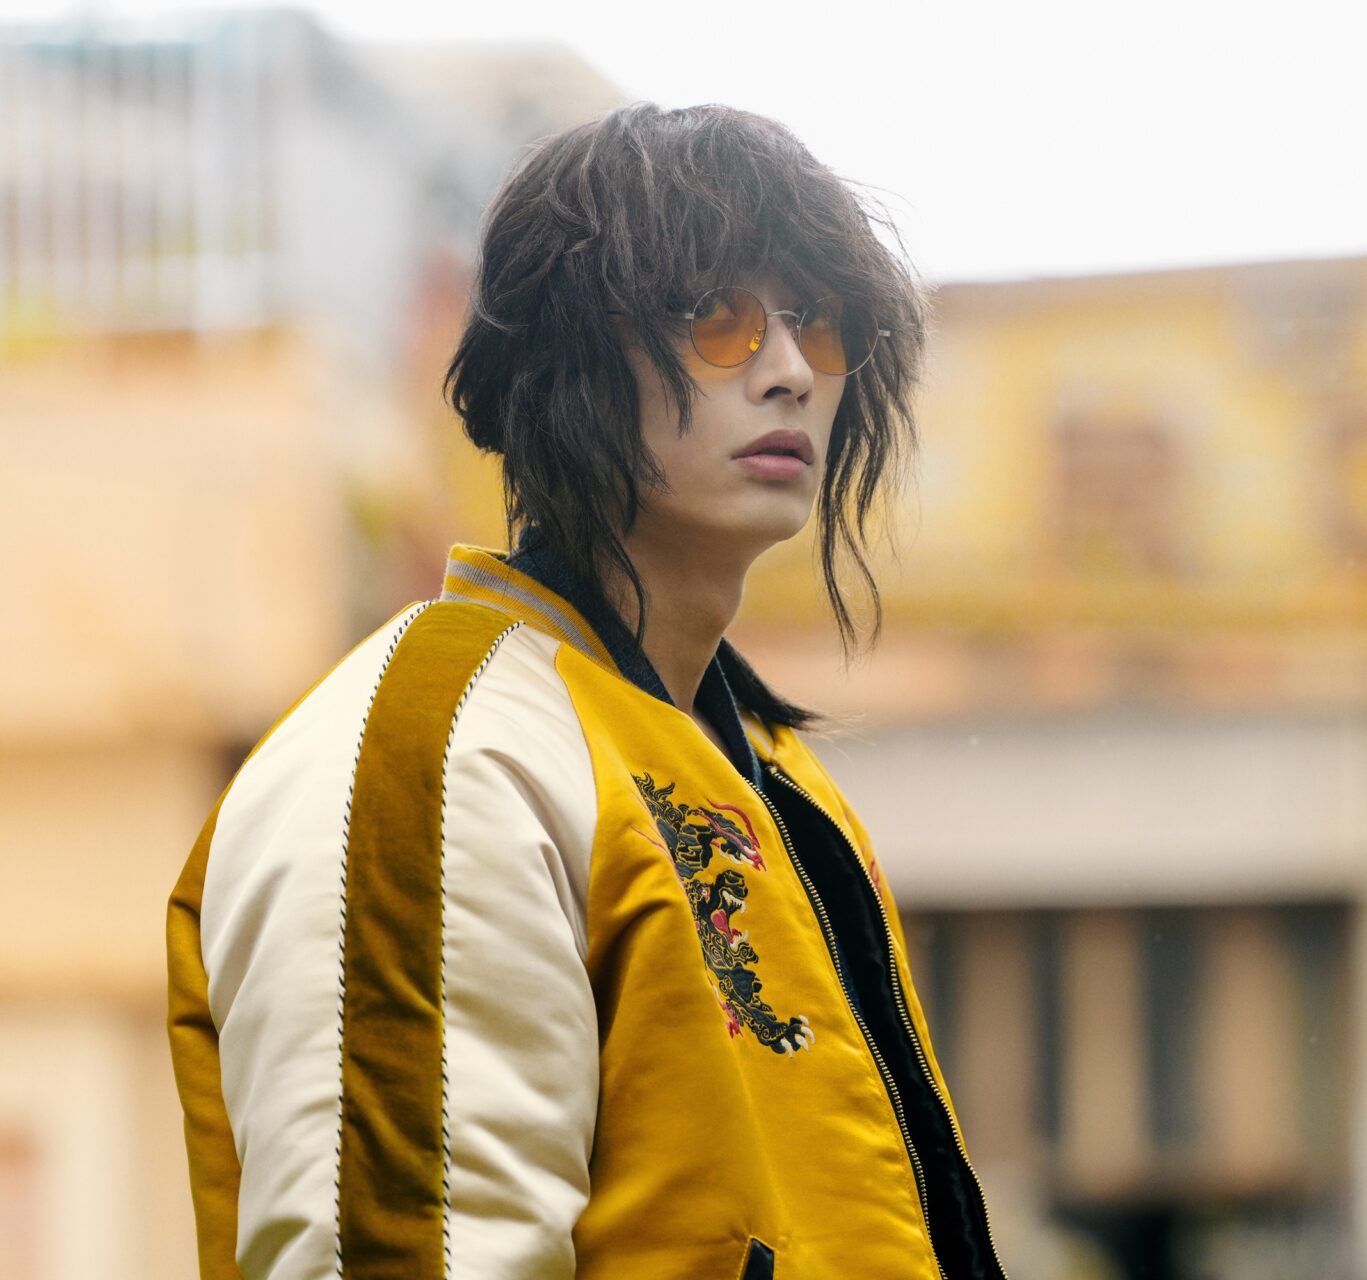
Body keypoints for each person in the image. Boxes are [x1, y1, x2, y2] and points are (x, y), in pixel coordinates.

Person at [165, 102, 1006, 1280]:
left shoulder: (765, 769)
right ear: (569, 361)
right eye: (717, 317)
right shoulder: (441, 754)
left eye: (817, 322)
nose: (786, 371)